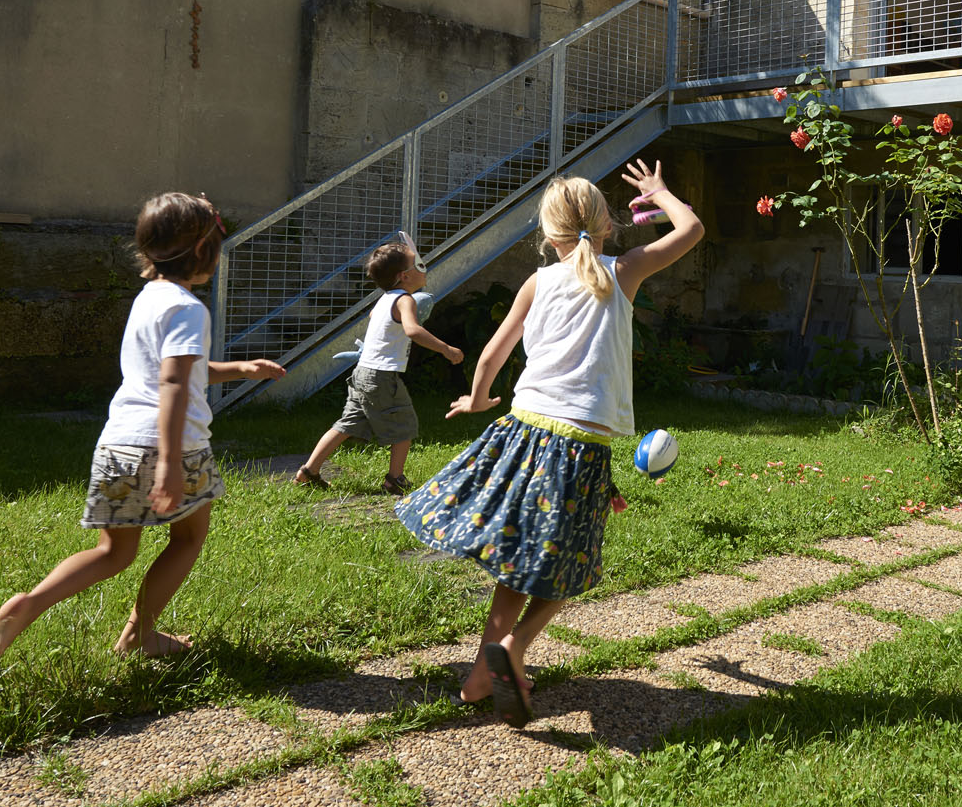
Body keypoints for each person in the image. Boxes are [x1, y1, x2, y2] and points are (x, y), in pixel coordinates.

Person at [395, 160, 703, 726]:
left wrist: (478, 398)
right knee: (569, 565)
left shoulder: (537, 282)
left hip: (522, 431)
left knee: (516, 563)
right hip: (579, 444)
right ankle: (513, 650)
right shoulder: (624, 271)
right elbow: (692, 231)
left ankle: (478, 677)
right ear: (607, 224)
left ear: (548, 233)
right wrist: (661, 193)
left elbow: (494, 351)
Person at [0, 192, 285, 677]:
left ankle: (30, 604)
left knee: (113, 552)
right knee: (188, 538)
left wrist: (239, 367)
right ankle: (140, 634)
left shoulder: (148, 299)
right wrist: (173, 463)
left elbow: (176, 370)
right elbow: (174, 383)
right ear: (203, 252)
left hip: (118, 442)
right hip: (172, 446)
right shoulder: (189, 308)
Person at [295, 237, 463, 494]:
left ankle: (308, 471)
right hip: (382, 376)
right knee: (405, 423)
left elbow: (376, 318)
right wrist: (446, 349)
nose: (423, 269)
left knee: (346, 424)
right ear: (404, 276)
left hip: (363, 372)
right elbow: (412, 330)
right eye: (418, 265)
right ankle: (394, 479)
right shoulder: (405, 300)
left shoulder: (385, 298)